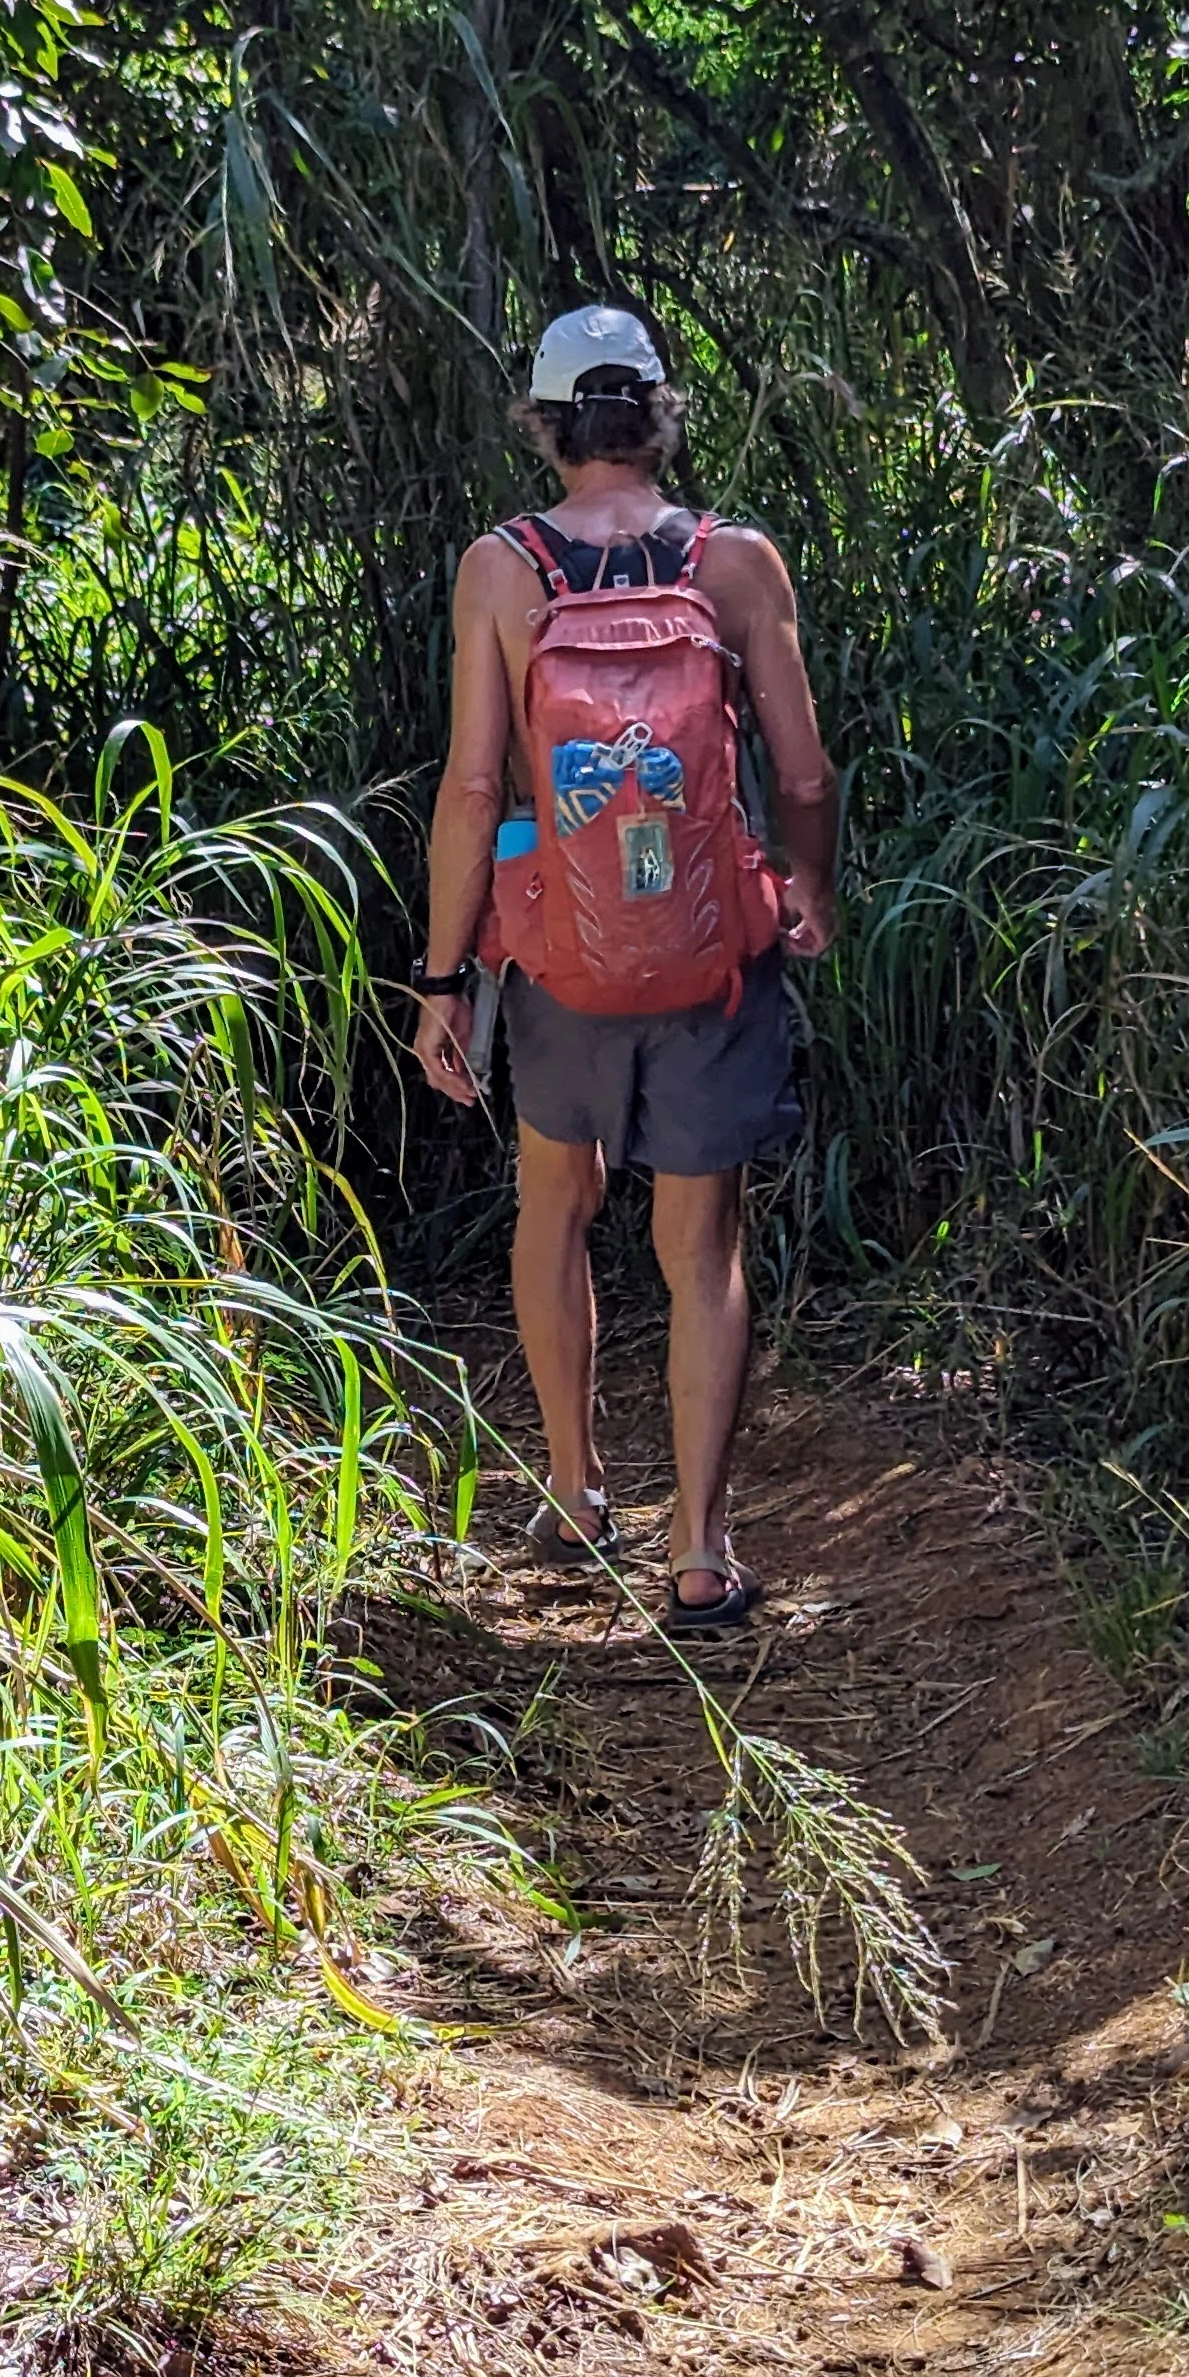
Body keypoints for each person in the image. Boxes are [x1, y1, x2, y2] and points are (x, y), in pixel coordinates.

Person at [410, 304, 839, 1633]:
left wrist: (443, 979)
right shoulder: (736, 562)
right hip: (708, 941)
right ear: (656, 414)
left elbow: (477, 788)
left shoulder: (502, 569)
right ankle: (702, 1551)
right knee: (700, 1243)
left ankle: (577, 1489)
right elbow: (806, 771)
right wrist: (807, 891)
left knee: (558, 1201)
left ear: (547, 427)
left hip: (560, 952)